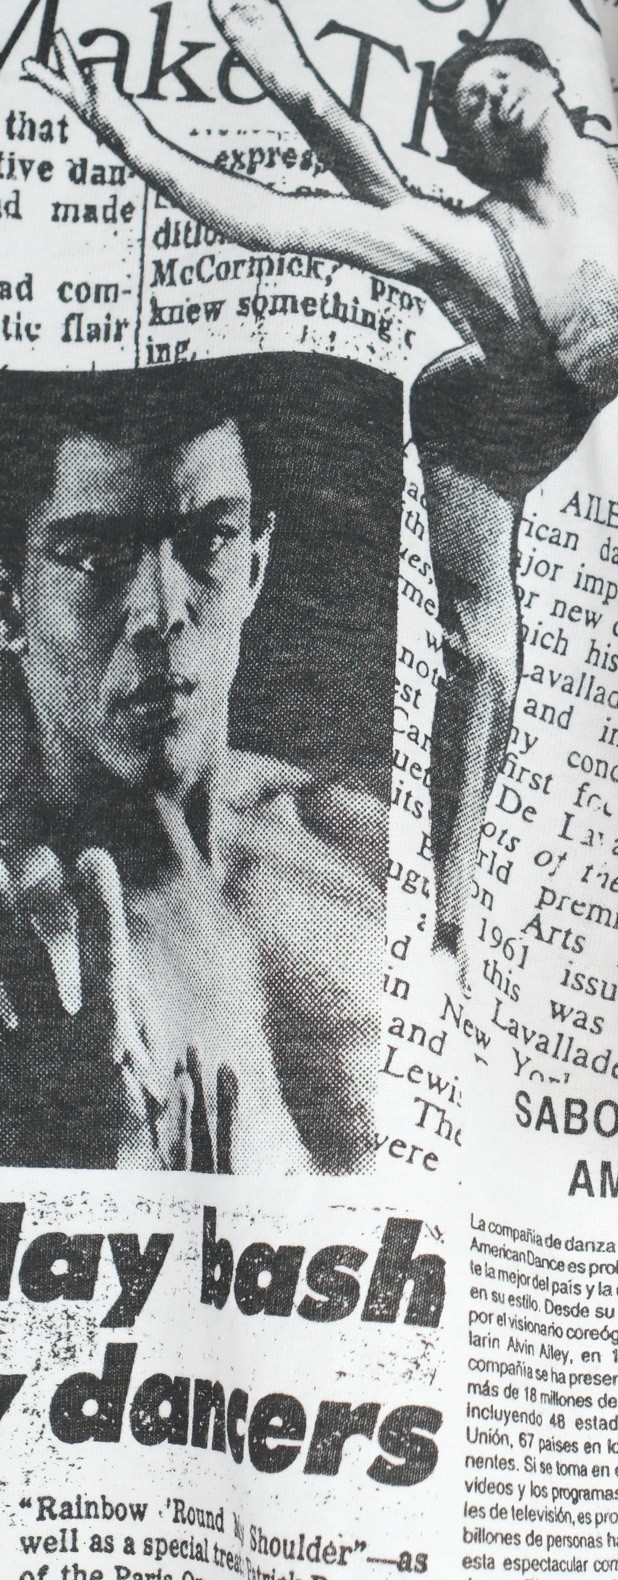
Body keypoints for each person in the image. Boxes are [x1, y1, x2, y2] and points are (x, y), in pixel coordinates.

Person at [24, 1, 618, 988]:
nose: (482, 99)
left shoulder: (616, 175)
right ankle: (453, 925)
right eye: (463, 107)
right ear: (471, 160)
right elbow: (279, 221)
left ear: (552, 80)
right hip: (481, 426)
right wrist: (132, 136)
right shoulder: (468, 242)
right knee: (484, 657)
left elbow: (361, 156)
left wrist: (278, 63)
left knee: (382, 185)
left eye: (497, 79)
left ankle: (270, 50)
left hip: (555, 395)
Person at [0, 377, 385, 1173]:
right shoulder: (24, 947)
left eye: (208, 540)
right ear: (9, 605)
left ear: (256, 566)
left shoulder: (352, 845)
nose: (162, 609)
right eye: (97, 557)